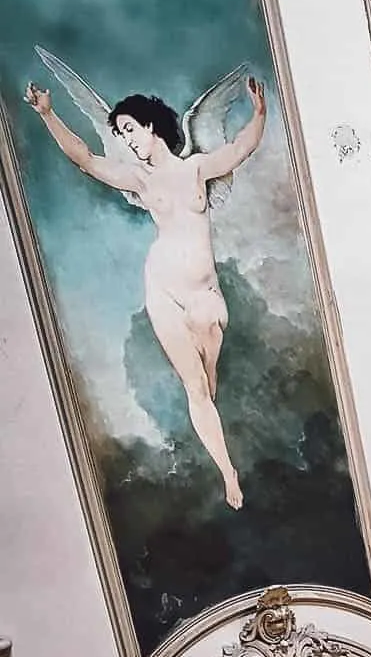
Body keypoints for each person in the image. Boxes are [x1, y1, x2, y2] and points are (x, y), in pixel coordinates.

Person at [25, 58, 267, 510]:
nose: (126, 140)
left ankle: (214, 423)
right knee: (196, 389)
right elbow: (85, 158)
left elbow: (238, 151)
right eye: (120, 134)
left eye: (130, 129)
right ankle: (229, 475)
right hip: (164, 291)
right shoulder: (137, 179)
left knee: (208, 382)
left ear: (153, 126)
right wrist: (47, 114)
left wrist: (258, 116)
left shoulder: (195, 169)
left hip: (206, 298)